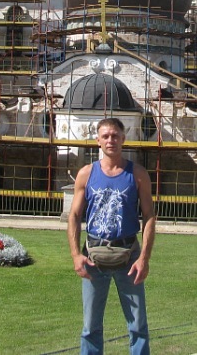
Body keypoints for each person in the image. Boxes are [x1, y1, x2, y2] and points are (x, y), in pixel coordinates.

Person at [67, 117, 156, 355]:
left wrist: (144, 258)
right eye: (105, 136)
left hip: (129, 255)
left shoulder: (137, 174)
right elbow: (74, 215)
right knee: (90, 326)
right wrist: (75, 255)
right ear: (97, 140)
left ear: (123, 139)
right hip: (93, 256)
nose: (110, 140)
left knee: (137, 324)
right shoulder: (86, 174)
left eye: (115, 136)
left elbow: (149, 216)